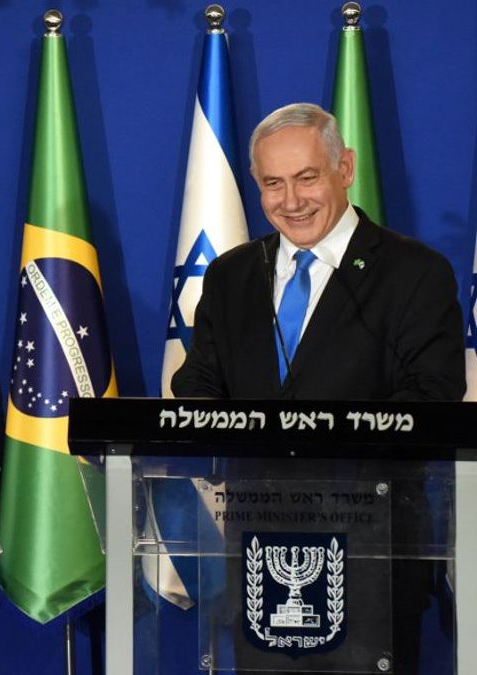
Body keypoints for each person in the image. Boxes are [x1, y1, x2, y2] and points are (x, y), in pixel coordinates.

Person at [172, 103, 465, 674]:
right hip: (259, 549)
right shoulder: (232, 276)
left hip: (373, 552)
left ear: (345, 168)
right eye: (272, 184)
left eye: (307, 177)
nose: (291, 200)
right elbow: (197, 391)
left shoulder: (414, 272)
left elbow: (432, 397)